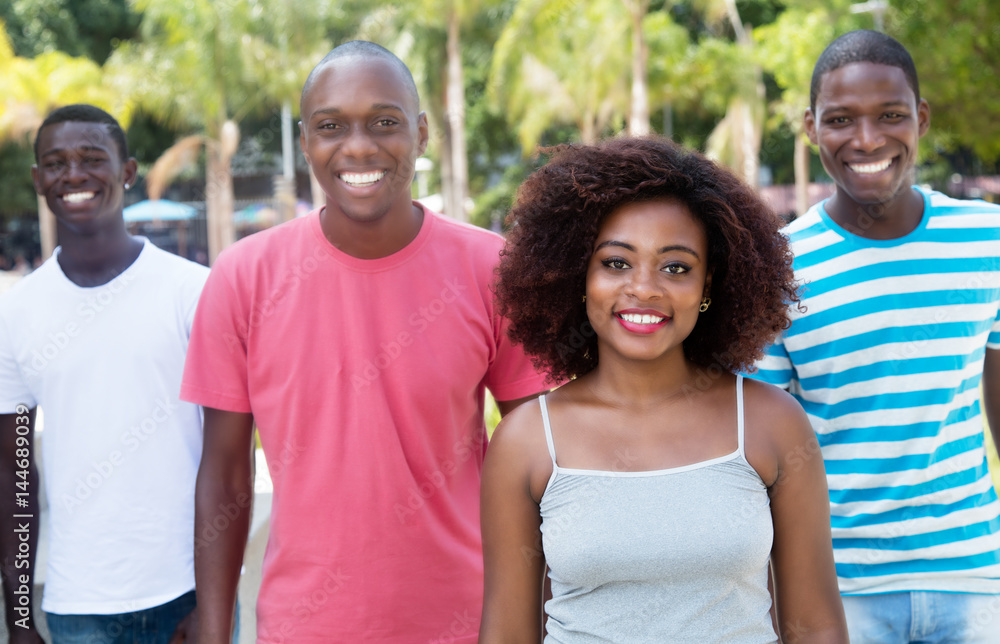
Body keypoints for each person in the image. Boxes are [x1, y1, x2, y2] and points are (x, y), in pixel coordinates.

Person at [180, 41, 551, 644]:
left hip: (471, 623)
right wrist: (213, 632)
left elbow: (538, 460)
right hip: (304, 626)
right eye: (331, 127)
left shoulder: (493, 268)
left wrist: (536, 618)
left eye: (385, 122)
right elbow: (224, 474)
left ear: (422, 133)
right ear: (305, 142)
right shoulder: (244, 276)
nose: (358, 146)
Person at [479, 136, 849, 643]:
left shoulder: (771, 423)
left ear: (709, 286)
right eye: (616, 263)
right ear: (577, 275)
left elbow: (817, 628)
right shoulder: (526, 440)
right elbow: (506, 635)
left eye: (676, 267)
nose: (645, 288)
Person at [752, 29, 1000, 643]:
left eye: (891, 115)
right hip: (838, 587)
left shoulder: (987, 241)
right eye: (841, 119)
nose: (867, 140)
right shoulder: (780, 268)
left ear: (921, 117)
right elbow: (766, 449)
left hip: (973, 574)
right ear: (811, 126)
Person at [0, 105, 210, 643]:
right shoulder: (15, 316)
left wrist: (212, 600)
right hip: (79, 606)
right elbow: (15, 478)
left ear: (127, 171)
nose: (74, 175)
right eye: (56, 163)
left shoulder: (193, 292)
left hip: (187, 591)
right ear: (38, 179)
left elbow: (227, 456)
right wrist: (20, 618)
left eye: (92, 159)